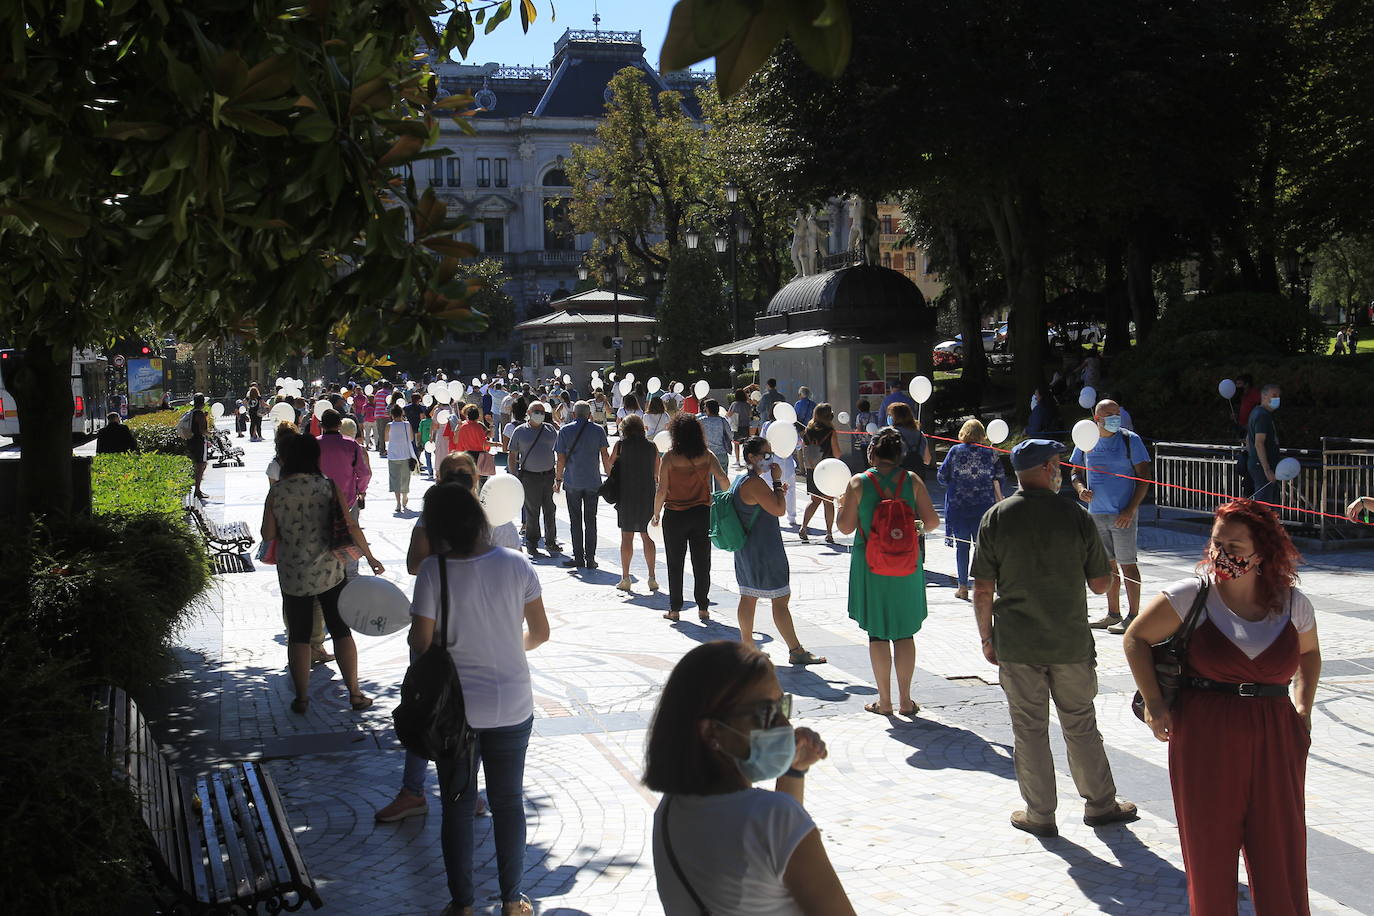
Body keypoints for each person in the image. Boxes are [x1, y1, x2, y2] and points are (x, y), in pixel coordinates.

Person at [1122, 499, 1320, 914]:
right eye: (1217, 542)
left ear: (1262, 552)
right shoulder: (1190, 596)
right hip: (1205, 732)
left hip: (1276, 732)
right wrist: (1155, 703)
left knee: (1279, 847)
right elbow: (1135, 638)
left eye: (1235, 545)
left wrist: (1303, 708)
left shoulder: (1292, 603)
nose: (1222, 554)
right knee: (1209, 850)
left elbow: (1310, 654)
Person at [970, 438, 1137, 837]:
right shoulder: (1076, 515)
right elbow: (1100, 584)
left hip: (1017, 641)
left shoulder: (996, 517)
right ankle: (1100, 804)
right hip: (1070, 642)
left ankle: (1040, 814)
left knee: (1028, 729)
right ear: (1047, 468)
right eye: (1058, 463)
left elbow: (981, 589)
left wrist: (986, 638)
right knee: (1080, 724)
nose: (1061, 469)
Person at [409, 483, 550, 916]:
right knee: (508, 804)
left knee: (458, 804)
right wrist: (505, 645)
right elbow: (540, 633)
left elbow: (420, 642)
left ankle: (463, 904)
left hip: (456, 711)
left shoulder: (434, 571)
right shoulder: (517, 563)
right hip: (512, 701)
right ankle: (512, 900)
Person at [645, 641, 855, 916]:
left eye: (783, 706)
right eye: (767, 712)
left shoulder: (670, 809)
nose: (784, 724)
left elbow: (772, 851)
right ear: (711, 732)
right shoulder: (773, 818)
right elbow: (774, 833)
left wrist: (794, 771)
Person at [261, 433, 384, 715]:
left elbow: (267, 534)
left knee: (299, 636)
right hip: (330, 571)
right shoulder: (327, 486)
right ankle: (354, 693)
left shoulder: (277, 491)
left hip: (293, 574)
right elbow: (351, 526)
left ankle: (301, 698)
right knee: (341, 631)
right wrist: (370, 556)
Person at [835, 428, 940, 717]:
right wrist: (907, 530)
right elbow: (931, 522)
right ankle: (906, 700)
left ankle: (885, 701)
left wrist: (841, 506)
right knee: (905, 633)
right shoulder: (912, 480)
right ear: (899, 455)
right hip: (906, 564)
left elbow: (844, 528)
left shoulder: (859, 482)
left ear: (872, 453)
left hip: (871, 565)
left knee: (878, 635)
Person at [732, 437, 826, 666]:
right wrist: (776, 484)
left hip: (747, 547)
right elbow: (779, 510)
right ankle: (795, 650)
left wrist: (775, 490)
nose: (770, 458)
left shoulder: (740, 480)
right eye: (765, 454)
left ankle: (747, 647)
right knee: (781, 598)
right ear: (752, 457)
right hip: (764, 548)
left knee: (749, 594)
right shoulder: (755, 483)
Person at [1070, 399, 1153, 633]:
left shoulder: (1130, 440)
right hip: (1096, 514)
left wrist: (1130, 509)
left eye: (1117, 413)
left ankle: (1134, 616)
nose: (1116, 417)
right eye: (1110, 414)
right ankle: (1113, 613)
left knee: (1128, 565)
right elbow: (1075, 472)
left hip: (1122, 515)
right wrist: (1080, 490)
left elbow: (1144, 477)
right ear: (1097, 418)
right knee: (1107, 567)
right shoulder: (1087, 438)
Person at [653, 415, 729, 622]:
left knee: (675, 563)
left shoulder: (669, 457)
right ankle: (703, 607)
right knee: (702, 562)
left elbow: (662, 489)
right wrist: (727, 504)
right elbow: (722, 478)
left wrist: (656, 513)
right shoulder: (706, 455)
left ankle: (675, 609)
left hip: (675, 515)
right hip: (702, 514)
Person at [937, 419, 1006, 600]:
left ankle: (962, 586)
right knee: (982, 548)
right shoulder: (990, 453)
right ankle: (985, 585)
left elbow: (942, 476)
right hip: (984, 507)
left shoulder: (954, 451)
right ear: (982, 434)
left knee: (962, 547)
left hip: (959, 506)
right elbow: (1000, 476)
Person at [554, 400, 612, 570]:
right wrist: (610, 477)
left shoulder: (565, 431)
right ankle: (591, 558)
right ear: (589, 415)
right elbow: (605, 456)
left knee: (575, 520)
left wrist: (558, 479)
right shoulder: (598, 430)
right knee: (591, 520)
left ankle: (578, 556)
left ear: (573, 414)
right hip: (593, 481)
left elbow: (561, 459)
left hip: (572, 481)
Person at [317, 408, 373, 577]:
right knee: (351, 533)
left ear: (321, 425)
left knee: (322, 534)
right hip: (348, 498)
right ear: (340, 425)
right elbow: (364, 473)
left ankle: (326, 570)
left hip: (320, 499)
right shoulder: (351, 445)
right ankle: (350, 572)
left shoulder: (313, 444)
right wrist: (360, 490)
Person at [611, 414, 660, 592]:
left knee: (627, 537)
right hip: (647, 495)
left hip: (626, 495)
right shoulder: (652, 447)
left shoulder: (620, 446)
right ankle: (652, 577)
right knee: (647, 537)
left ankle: (625, 578)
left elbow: (609, 468)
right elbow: (657, 473)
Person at [507, 401, 560, 557]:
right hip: (529, 477)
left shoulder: (550, 430)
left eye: (542, 411)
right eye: (537, 411)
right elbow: (512, 455)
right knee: (532, 511)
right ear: (528, 413)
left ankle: (551, 541)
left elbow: (559, 452)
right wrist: (514, 476)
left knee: (550, 510)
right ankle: (532, 543)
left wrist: (559, 476)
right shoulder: (519, 431)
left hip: (548, 475)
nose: (540, 414)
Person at [799, 404, 842, 543]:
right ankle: (829, 533)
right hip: (827, 469)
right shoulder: (830, 431)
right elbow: (837, 453)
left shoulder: (808, 430)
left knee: (814, 501)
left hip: (812, 469)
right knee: (828, 501)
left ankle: (803, 527)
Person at [1246, 383, 1283, 498]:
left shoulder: (1257, 413)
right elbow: (1259, 443)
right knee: (1264, 503)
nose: (1277, 398)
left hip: (1259, 463)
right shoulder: (1262, 415)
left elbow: (1248, 439)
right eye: (1274, 395)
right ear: (1264, 396)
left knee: (1266, 501)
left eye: (1278, 395)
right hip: (1262, 466)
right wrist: (1267, 469)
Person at [886, 402, 931, 476]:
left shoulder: (890, 433)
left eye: (890, 415)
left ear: (895, 417)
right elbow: (927, 460)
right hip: (917, 477)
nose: (889, 417)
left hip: (896, 477)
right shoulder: (920, 434)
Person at [386, 403, 416, 513]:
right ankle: (404, 497)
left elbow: (385, 439)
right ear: (402, 413)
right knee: (405, 478)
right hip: (405, 455)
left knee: (395, 479)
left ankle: (398, 502)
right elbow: (412, 438)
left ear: (392, 415)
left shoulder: (389, 425)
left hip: (393, 455)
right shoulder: (407, 425)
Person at [697, 398, 732, 482]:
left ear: (707, 409)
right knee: (721, 481)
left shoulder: (701, 421)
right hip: (721, 453)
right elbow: (730, 435)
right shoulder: (723, 421)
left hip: (705, 454)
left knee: (706, 483)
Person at [187, 393, 209, 501]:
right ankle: (197, 490)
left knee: (200, 464)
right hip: (199, 441)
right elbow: (202, 430)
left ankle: (197, 489)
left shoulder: (192, 412)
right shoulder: (199, 413)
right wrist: (210, 433)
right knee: (201, 465)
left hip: (192, 441)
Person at [728, 390, 753, 466]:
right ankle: (746, 460)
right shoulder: (747, 405)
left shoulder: (734, 404)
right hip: (746, 426)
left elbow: (729, 414)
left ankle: (738, 461)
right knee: (746, 444)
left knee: (736, 444)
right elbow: (750, 415)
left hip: (737, 426)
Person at [372, 381, 392, 457]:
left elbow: (374, 402)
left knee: (380, 433)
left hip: (377, 414)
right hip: (385, 415)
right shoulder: (388, 394)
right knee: (387, 433)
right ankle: (386, 450)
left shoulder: (377, 393)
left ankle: (382, 449)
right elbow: (389, 404)